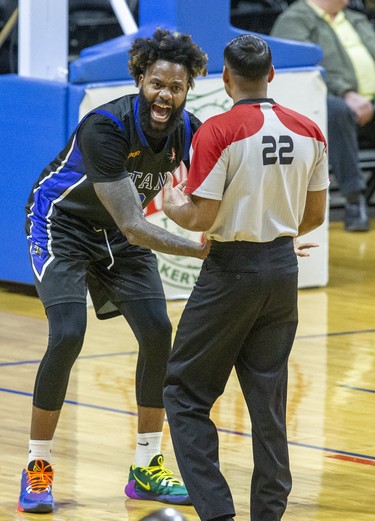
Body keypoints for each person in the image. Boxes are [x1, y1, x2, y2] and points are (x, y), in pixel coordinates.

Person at [17, 28, 208, 514]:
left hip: (119, 237)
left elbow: (222, 190)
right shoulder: (105, 126)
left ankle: (147, 465)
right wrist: (202, 250)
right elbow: (134, 223)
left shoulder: (190, 129)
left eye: (176, 87)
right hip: (62, 223)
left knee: (157, 330)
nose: (165, 95)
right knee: (67, 334)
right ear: (141, 78)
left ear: (189, 90)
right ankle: (37, 469)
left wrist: (266, 233)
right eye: (157, 84)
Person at [161, 34, 328, 521]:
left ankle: (216, 511)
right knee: (268, 398)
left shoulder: (217, 130)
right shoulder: (310, 129)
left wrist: (174, 208)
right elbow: (313, 215)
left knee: (184, 393)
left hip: (231, 273)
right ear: (271, 74)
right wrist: (270, 230)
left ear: (226, 78)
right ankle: (268, 514)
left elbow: (201, 216)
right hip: (282, 270)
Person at [271, 0, 375, 231]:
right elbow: (302, 67)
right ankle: (353, 200)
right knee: (338, 110)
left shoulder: (356, 18)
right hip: (326, 100)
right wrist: (346, 92)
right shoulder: (295, 19)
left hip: (368, 100)